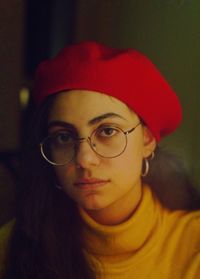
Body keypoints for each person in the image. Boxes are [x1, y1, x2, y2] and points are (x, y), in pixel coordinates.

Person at [0, 41, 200, 279]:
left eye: (107, 131)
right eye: (63, 137)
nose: (84, 159)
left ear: (147, 141)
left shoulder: (192, 244)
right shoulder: (14, 245)